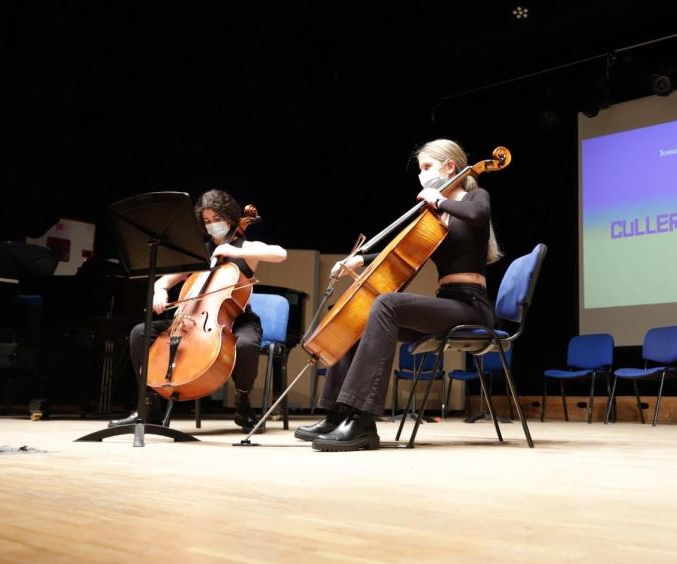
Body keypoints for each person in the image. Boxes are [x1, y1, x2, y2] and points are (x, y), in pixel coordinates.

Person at [296, 139, 502, 451]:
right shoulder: (432, 218)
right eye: (420, 170)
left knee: (387, 303)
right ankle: (338, 414)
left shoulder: (474, 197)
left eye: (427, 167)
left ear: (450, 167)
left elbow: (478, 214)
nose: (422, 175)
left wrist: (439, 199)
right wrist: (360, 260)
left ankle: (363, 420)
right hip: (447, 302)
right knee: (363, 314)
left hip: (471, 307)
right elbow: (401, 252)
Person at [110, 189, 287, 432]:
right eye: (206, 221)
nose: (212, 225)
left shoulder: (244, 246)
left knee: (246, 344)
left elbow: (280, 254)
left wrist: (237, 252)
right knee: (140, 333)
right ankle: (148, 407)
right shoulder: (197, 252)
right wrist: (160, 291)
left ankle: (242, 403)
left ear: (230, 217)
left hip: (237, 318)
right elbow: (164, 281)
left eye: (217, 219)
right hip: (192, 318)